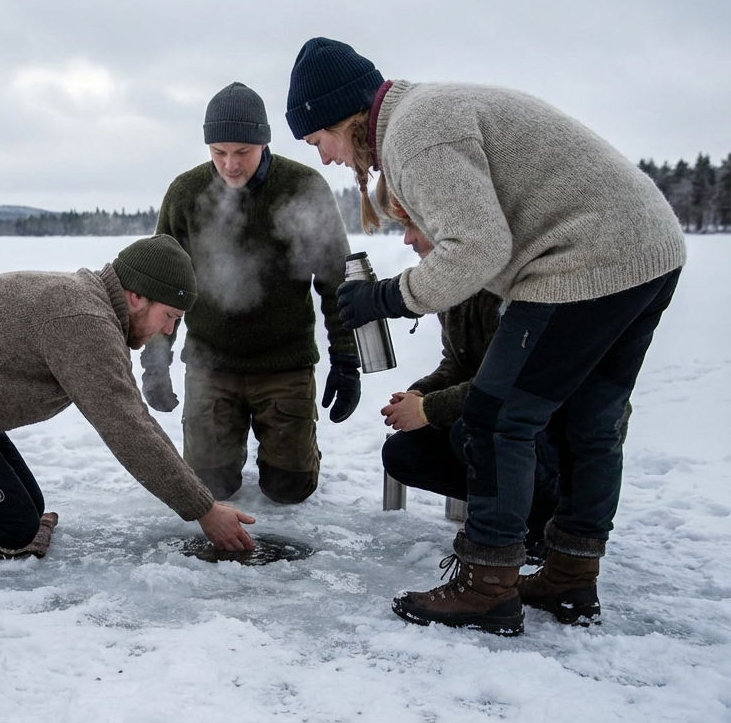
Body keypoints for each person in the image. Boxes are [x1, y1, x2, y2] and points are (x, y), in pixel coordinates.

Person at [286, 37, 684, 634]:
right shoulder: (424, 114)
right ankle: (571, 577)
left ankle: (486, 587)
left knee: (498, 418)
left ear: (343, 118)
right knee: (590, 421)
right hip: (647, 249)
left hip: (584, 258)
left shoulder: (413, 134)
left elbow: (478, 247)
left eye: (318, 141)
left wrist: (387, 297)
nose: (323, 158)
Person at [0, 234, 256, 555]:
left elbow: (127, 417)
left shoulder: (89, 305)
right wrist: (203, 509)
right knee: (13, 526)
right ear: (137, 296)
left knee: (28, 504)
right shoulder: (84, 322)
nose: (168, 331)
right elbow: (127, 426)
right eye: (169, 316)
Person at [142, 82, 360, 505]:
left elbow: (338, 282)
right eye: (219, 152)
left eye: (242, 152)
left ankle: (294, 455)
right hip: (211, 365)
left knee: (289, 489)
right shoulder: (185, 194)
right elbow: (163, 287)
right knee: (209, 488)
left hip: (284, 365)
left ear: (264, 142)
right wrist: (156, 361)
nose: (230, 164)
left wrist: (346, 360)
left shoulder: (303, 187)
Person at [378, 203, 561, 564]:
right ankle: (501, 508)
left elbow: (511, 382)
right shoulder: (455, 286)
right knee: (402, 454)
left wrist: (429, 408)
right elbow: (458, 364)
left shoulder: (510, 282)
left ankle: (546, 516)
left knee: (472, 431)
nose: (407, 239)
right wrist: (419, 393)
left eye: (414, 226)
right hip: (490, 412)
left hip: (551, 426)